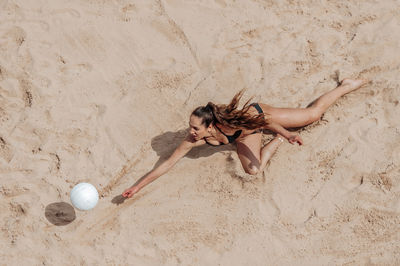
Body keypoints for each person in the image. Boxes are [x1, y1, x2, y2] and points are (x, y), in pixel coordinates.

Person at [122, 78, 367, 198]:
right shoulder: (194, 138)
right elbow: (168, 163)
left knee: (312, 115)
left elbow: (266, 121)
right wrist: (137, 186)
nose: (191, 132)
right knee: (253, 170)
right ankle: (277, 142)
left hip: (260, 117)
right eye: (190, 127)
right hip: (247, 136)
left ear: (211, 125)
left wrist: (287, 132)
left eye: (196, 128)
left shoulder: (232, 122)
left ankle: (346, 85)